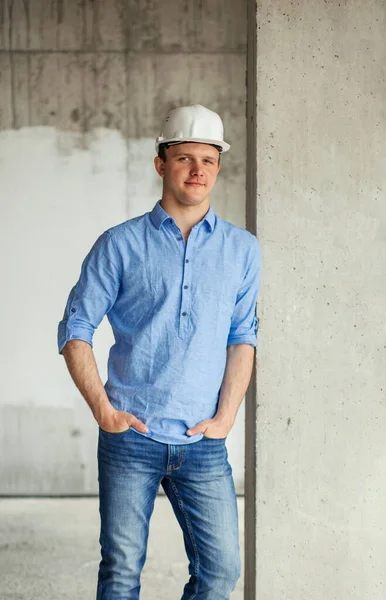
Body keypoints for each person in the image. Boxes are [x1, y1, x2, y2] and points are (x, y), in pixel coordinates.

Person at [58, 104, 261, 600]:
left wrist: (226, 416)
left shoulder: (242, 249)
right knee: (121, 574)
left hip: (203, 442)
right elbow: (75, 328)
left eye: (209, 160)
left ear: (218, 167)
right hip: (132, 437)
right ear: (160, 164)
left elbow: (243, 335)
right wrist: (105, 411)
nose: (197, 170)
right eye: (184, 157)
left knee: (220, 573)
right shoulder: (120, 244)